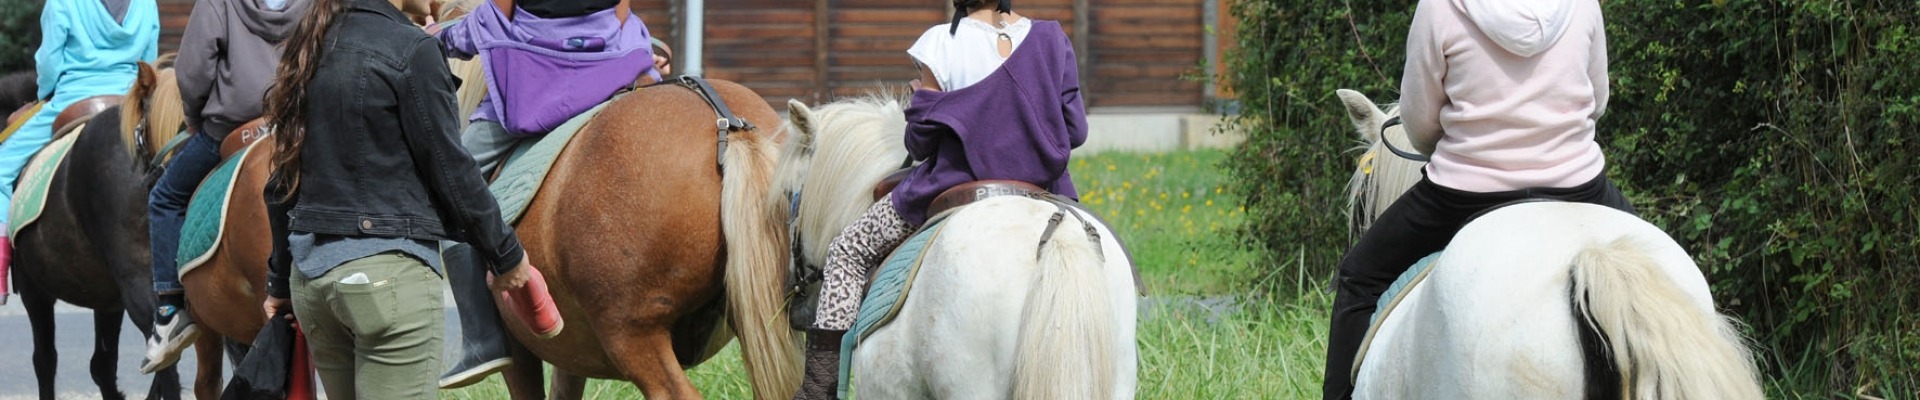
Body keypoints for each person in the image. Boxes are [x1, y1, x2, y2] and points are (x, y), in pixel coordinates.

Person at [1320, 0, 1633, 398]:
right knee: (1661, 263)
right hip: (1577, 185)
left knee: (1359, 277)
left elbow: (1418, 124)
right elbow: (1597, 100)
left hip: (1464, 193)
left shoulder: (1438, 8)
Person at [255, 0, 561, 395]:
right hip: (387, 281)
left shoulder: (309, 42)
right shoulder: (411, 48)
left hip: (312, 284)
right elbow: (451, 169)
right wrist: (507, 256)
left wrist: (279, 282)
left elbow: (282, 180)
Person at [790, 0, 1089, 398]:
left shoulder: (939, 43)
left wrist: (923, 105)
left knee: (847, 250)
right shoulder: (1053, 39)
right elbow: (1076, 130)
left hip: (955, 184)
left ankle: (818, 388)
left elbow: (920, 141)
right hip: (1044, 190)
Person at [428, 0, 666, 388]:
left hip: (535, 86)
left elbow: (492, 19)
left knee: (454, 182)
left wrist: (444, 39)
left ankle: (481, 338)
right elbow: (621, 15)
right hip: (612, 74)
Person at [140, 0, 312, 373]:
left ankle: (169, 312)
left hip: (232, 126)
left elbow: (193, 69)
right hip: (299, 124)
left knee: (164, 197)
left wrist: (193, 117)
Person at [0, 0, 158, 306]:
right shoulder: (146, 3)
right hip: (130, 103)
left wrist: (46, 93)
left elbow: (48, 64)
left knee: (2, 165)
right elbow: (148, 60)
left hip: (75, 97)